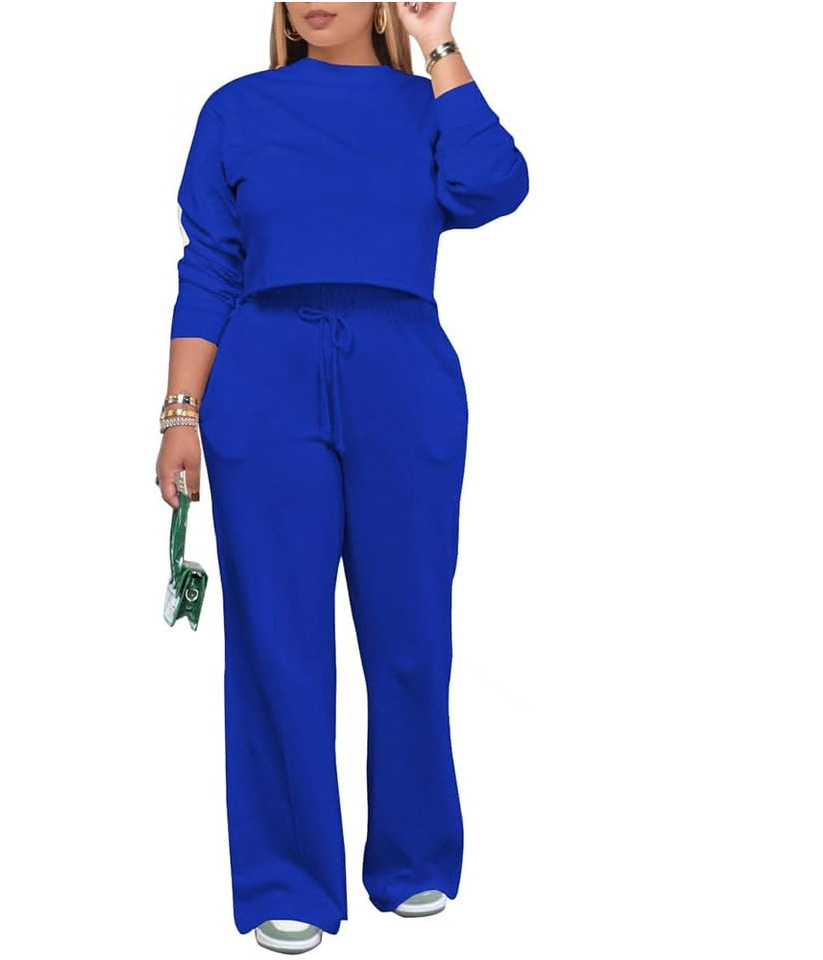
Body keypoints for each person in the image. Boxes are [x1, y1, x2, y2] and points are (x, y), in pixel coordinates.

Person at [154, 2, 528, 952]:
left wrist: (440, 43)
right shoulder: (236, 109)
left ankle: (414, 858)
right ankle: (289, 880)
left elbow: (494, 184)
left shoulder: (425, 105)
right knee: (276, 637)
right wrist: (180, 413)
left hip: (402, 372)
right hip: (263, 373)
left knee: (412, 631)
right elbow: (210, 265)